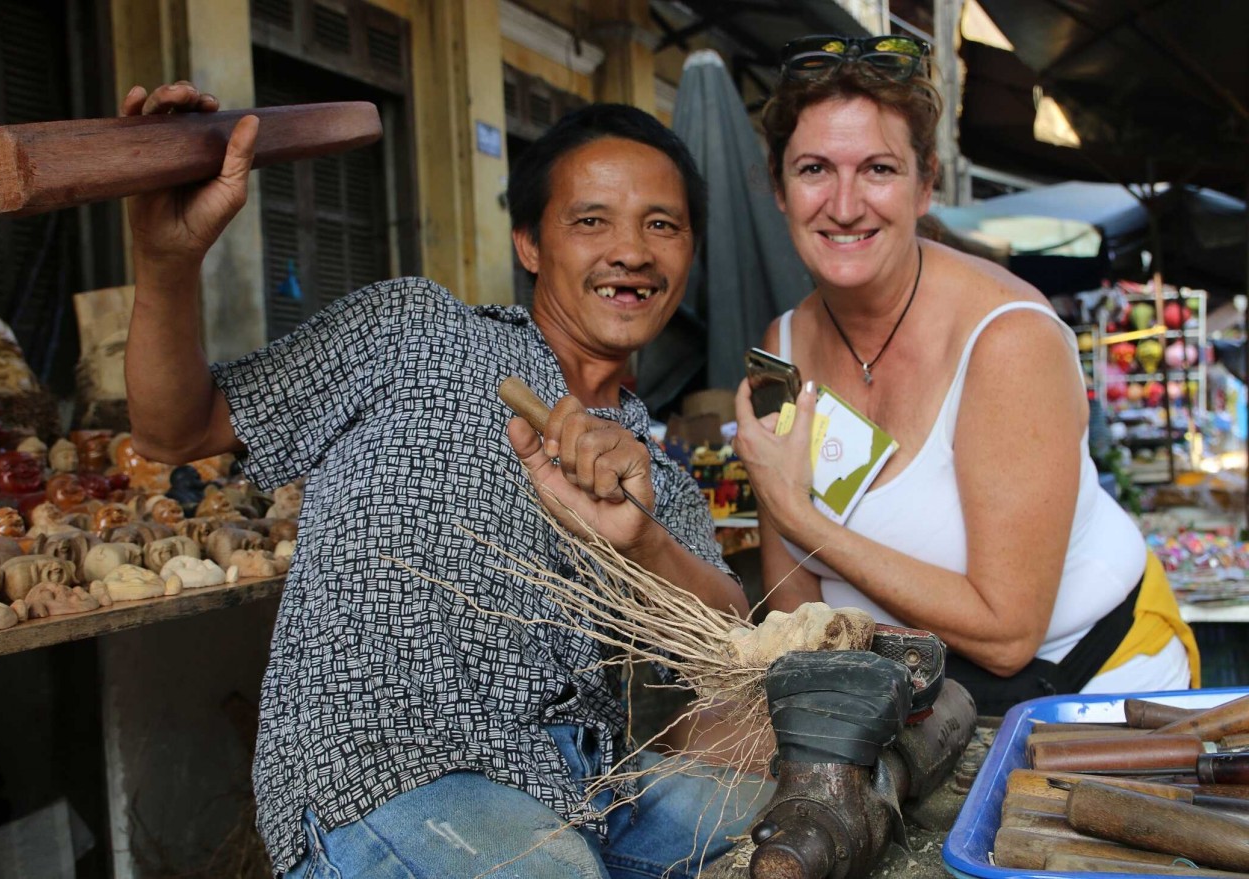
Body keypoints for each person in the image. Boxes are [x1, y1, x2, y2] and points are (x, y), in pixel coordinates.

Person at [121, 82, 765, 878]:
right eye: (591, 220)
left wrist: (645, 545)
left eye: (661, 225)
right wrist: (165, 264)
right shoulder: (414, 330)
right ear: (530, 243)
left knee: (792, 809)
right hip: (389, 776)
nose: (631, 251)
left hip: (584, 791)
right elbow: (171, 428)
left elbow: (733, 644)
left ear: (688, 256)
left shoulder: (655, 478)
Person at [732, 36, 1199, 716]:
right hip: (915, 706)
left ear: (925, 186)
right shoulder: (786, 343)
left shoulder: (1008, 341)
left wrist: (803, 517)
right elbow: (796, 604)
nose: (844, 202)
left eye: (878, 169)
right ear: (778, 189)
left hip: (1090, 691)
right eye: (813, 169)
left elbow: (1008, 633)